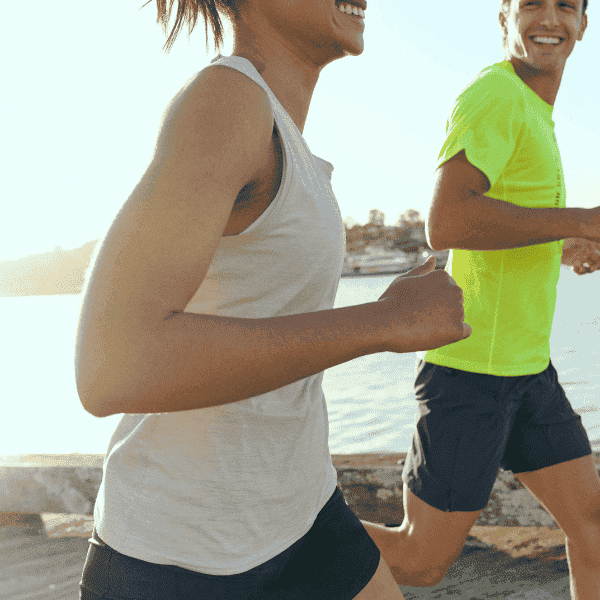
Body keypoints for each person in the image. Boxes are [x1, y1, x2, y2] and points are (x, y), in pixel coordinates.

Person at [75, 1, 472, 599]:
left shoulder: (286, 137)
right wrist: (384, 321)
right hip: (180, 562)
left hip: (302, 513)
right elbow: (114, 364)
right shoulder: (228, 101)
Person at [361, 1, 600, 598]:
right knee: (419, 560)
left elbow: (506, 220)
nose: (549, 17)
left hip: (527, 369)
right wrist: (586, 218)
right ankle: (271, 536)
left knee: (594, 529)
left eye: (565, 5)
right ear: (504, 19)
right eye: (531, 5)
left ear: (584, 22)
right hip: (471, 373)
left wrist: (570, 239)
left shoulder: (535, 110)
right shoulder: (495, 95)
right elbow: (448, 221)